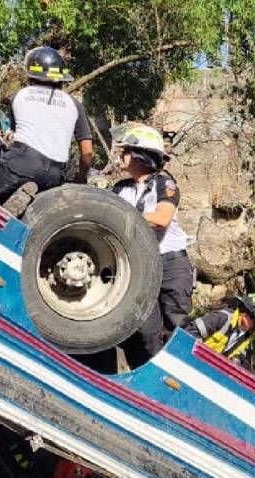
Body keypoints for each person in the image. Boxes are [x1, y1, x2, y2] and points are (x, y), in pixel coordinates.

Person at [110, 123, 191, 367]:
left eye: (125, 152)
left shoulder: (164, 185)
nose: (120, 156)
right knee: (145, 331)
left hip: (170, 263)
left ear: (140, 155)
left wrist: (122, 213)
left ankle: (180, 378)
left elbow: (162, 219)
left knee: (177, 327)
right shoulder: (120, 188)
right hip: (139, 266)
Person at [0, 47, 93, 204]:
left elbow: (15, 136)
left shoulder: (19, 96)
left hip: (19, 165)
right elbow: (87, 152)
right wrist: (81, 176)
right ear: (61, 79)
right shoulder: (75, 105)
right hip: (55, 175)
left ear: (31, 75)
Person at [187, 293, 255, 361]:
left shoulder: (246, 337)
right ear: (245, 314)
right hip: (190, 358)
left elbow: (240, 358)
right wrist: (198, 354)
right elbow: (191, 331)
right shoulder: (222, 318)